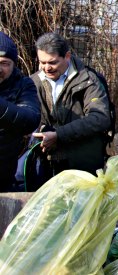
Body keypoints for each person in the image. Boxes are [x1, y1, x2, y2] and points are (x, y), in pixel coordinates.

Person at [30, 32, 112, 176]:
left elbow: (100, 118)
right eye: (42, 62)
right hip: (45, 165)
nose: (46, 68)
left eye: (52, 62)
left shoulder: (88, 80)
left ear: (67, 56)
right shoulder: (33, 82)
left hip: (82, 165)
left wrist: (58, 135)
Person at [0, 31, 41, 192]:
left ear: (14, 64)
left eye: (4, 63)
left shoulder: (23, 85)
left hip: (3, 173)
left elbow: (31, 118)